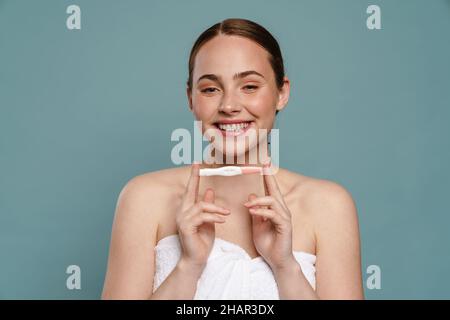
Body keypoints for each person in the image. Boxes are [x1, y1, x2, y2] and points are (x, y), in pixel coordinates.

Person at [101, 18, 364, 300]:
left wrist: (286, 267)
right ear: (191, 98)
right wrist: (188, 267)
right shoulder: (144, 198)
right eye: (210, 89)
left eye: (249, 86)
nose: (228, 106)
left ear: (281, 93)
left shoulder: (329, 206)